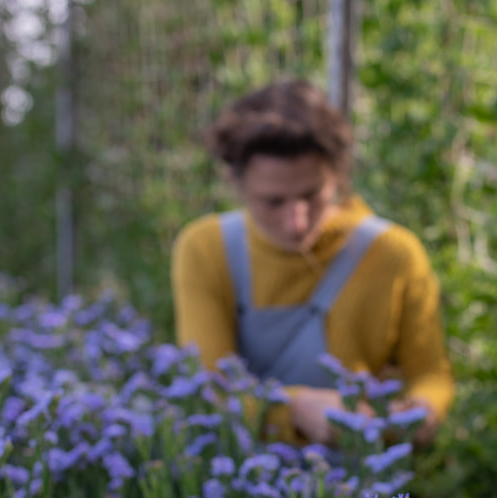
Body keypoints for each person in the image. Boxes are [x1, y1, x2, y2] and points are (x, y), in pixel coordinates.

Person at [170, 79, 454, 446]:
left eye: (312, 195)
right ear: (234, 182)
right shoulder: (206, 249)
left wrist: (420, 411)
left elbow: (431, 374)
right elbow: (208, 392)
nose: (297, 222)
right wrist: (296, 412)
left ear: (337, 174)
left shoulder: (394, 253)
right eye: (272, 202)